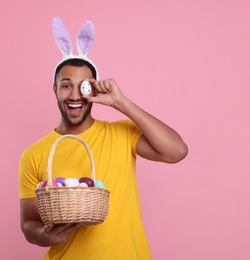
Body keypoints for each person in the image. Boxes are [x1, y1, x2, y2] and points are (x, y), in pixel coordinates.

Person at [19, 17, 188, 260]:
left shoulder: (122, 133)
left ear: (95, 89)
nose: (75, 94)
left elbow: (177, 151)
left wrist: (121, 102)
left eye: (84, 86)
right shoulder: (34, 155)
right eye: (66, 85)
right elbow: (28, 224)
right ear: (55, 90)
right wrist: (46, 236)